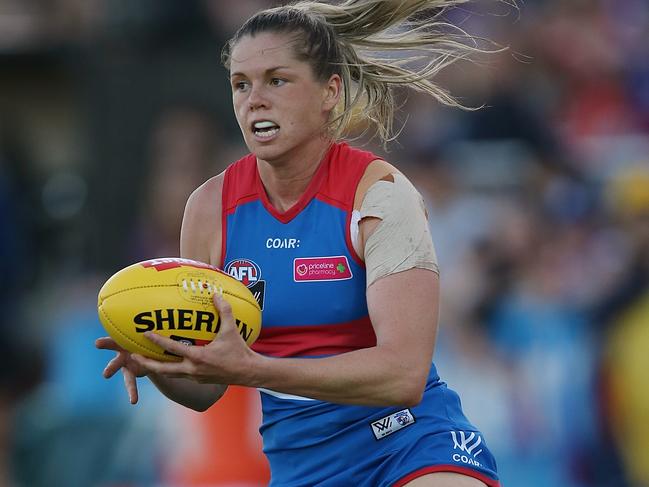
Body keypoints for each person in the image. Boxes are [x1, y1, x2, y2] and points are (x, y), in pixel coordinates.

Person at [97, 1, 505, 485]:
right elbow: (210, 389)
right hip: (300, 465)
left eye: (277, 80)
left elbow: (404, 375)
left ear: (330, 91)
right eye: (241, 84)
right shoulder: (208, 209)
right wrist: (160, 359)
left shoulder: (380, 196)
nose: (255, 100)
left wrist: (257, 368)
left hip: (408, 445)